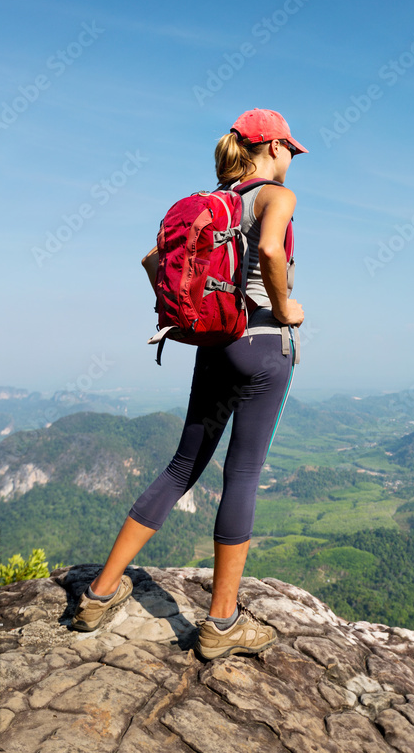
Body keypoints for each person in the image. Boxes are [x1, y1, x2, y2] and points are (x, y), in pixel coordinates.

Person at [71, 109, 307, 660]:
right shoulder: (275, 197)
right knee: (242, 473)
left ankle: (97, 595)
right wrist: (283, 307)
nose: (293, 158)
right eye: (290, 148)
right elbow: (271, 249)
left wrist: (196, 316)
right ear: (271, 147)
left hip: (214, 343)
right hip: (263, 344)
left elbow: (154, 260)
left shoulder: (209, 202)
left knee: (182, 466)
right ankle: (220, 625)